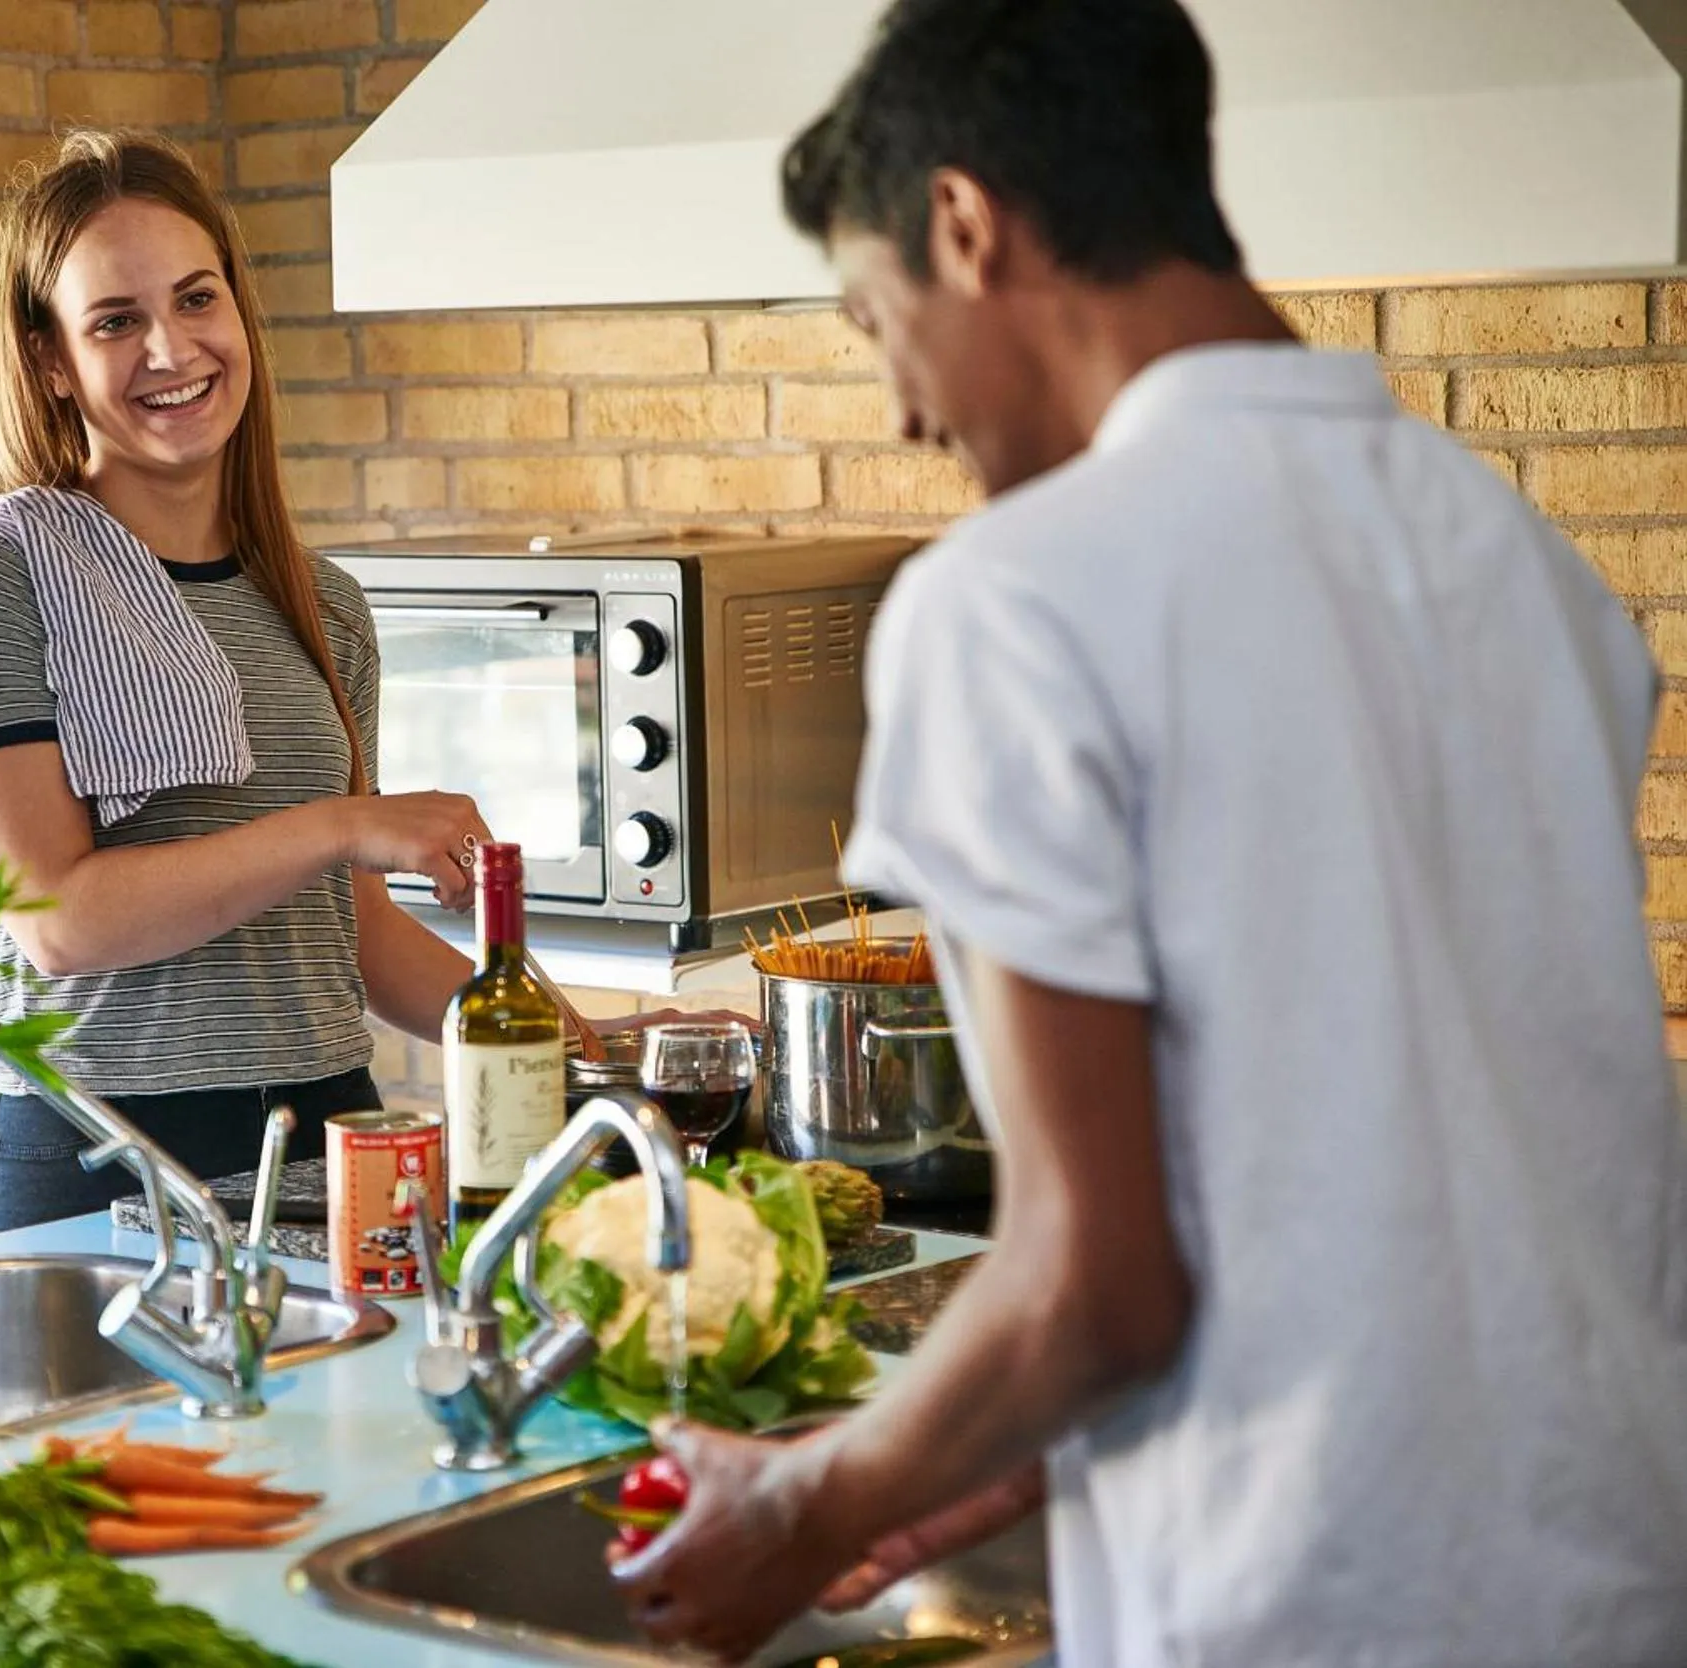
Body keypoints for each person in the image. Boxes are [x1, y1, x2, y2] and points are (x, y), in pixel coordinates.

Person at [611, 2, 1687, 1664]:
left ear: (964, 225)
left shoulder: (1012, 602)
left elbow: (1095, 1290)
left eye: (876, 321)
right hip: (1615, 1570)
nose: (903, 412)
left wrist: (805, 1509)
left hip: (1303, 1606)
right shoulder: (1524, 564)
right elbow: (1381, 1164)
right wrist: (981, 1445)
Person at [0, 131, 519, 1231]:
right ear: (51, 360)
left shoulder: (323, 604)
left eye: (196, 299)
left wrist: (581, 1044)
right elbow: (56, 921)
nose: (171, 348)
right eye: (114, 321)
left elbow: (355, 932)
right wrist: (339, 825)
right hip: (103, 1170)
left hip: (331, 1152)